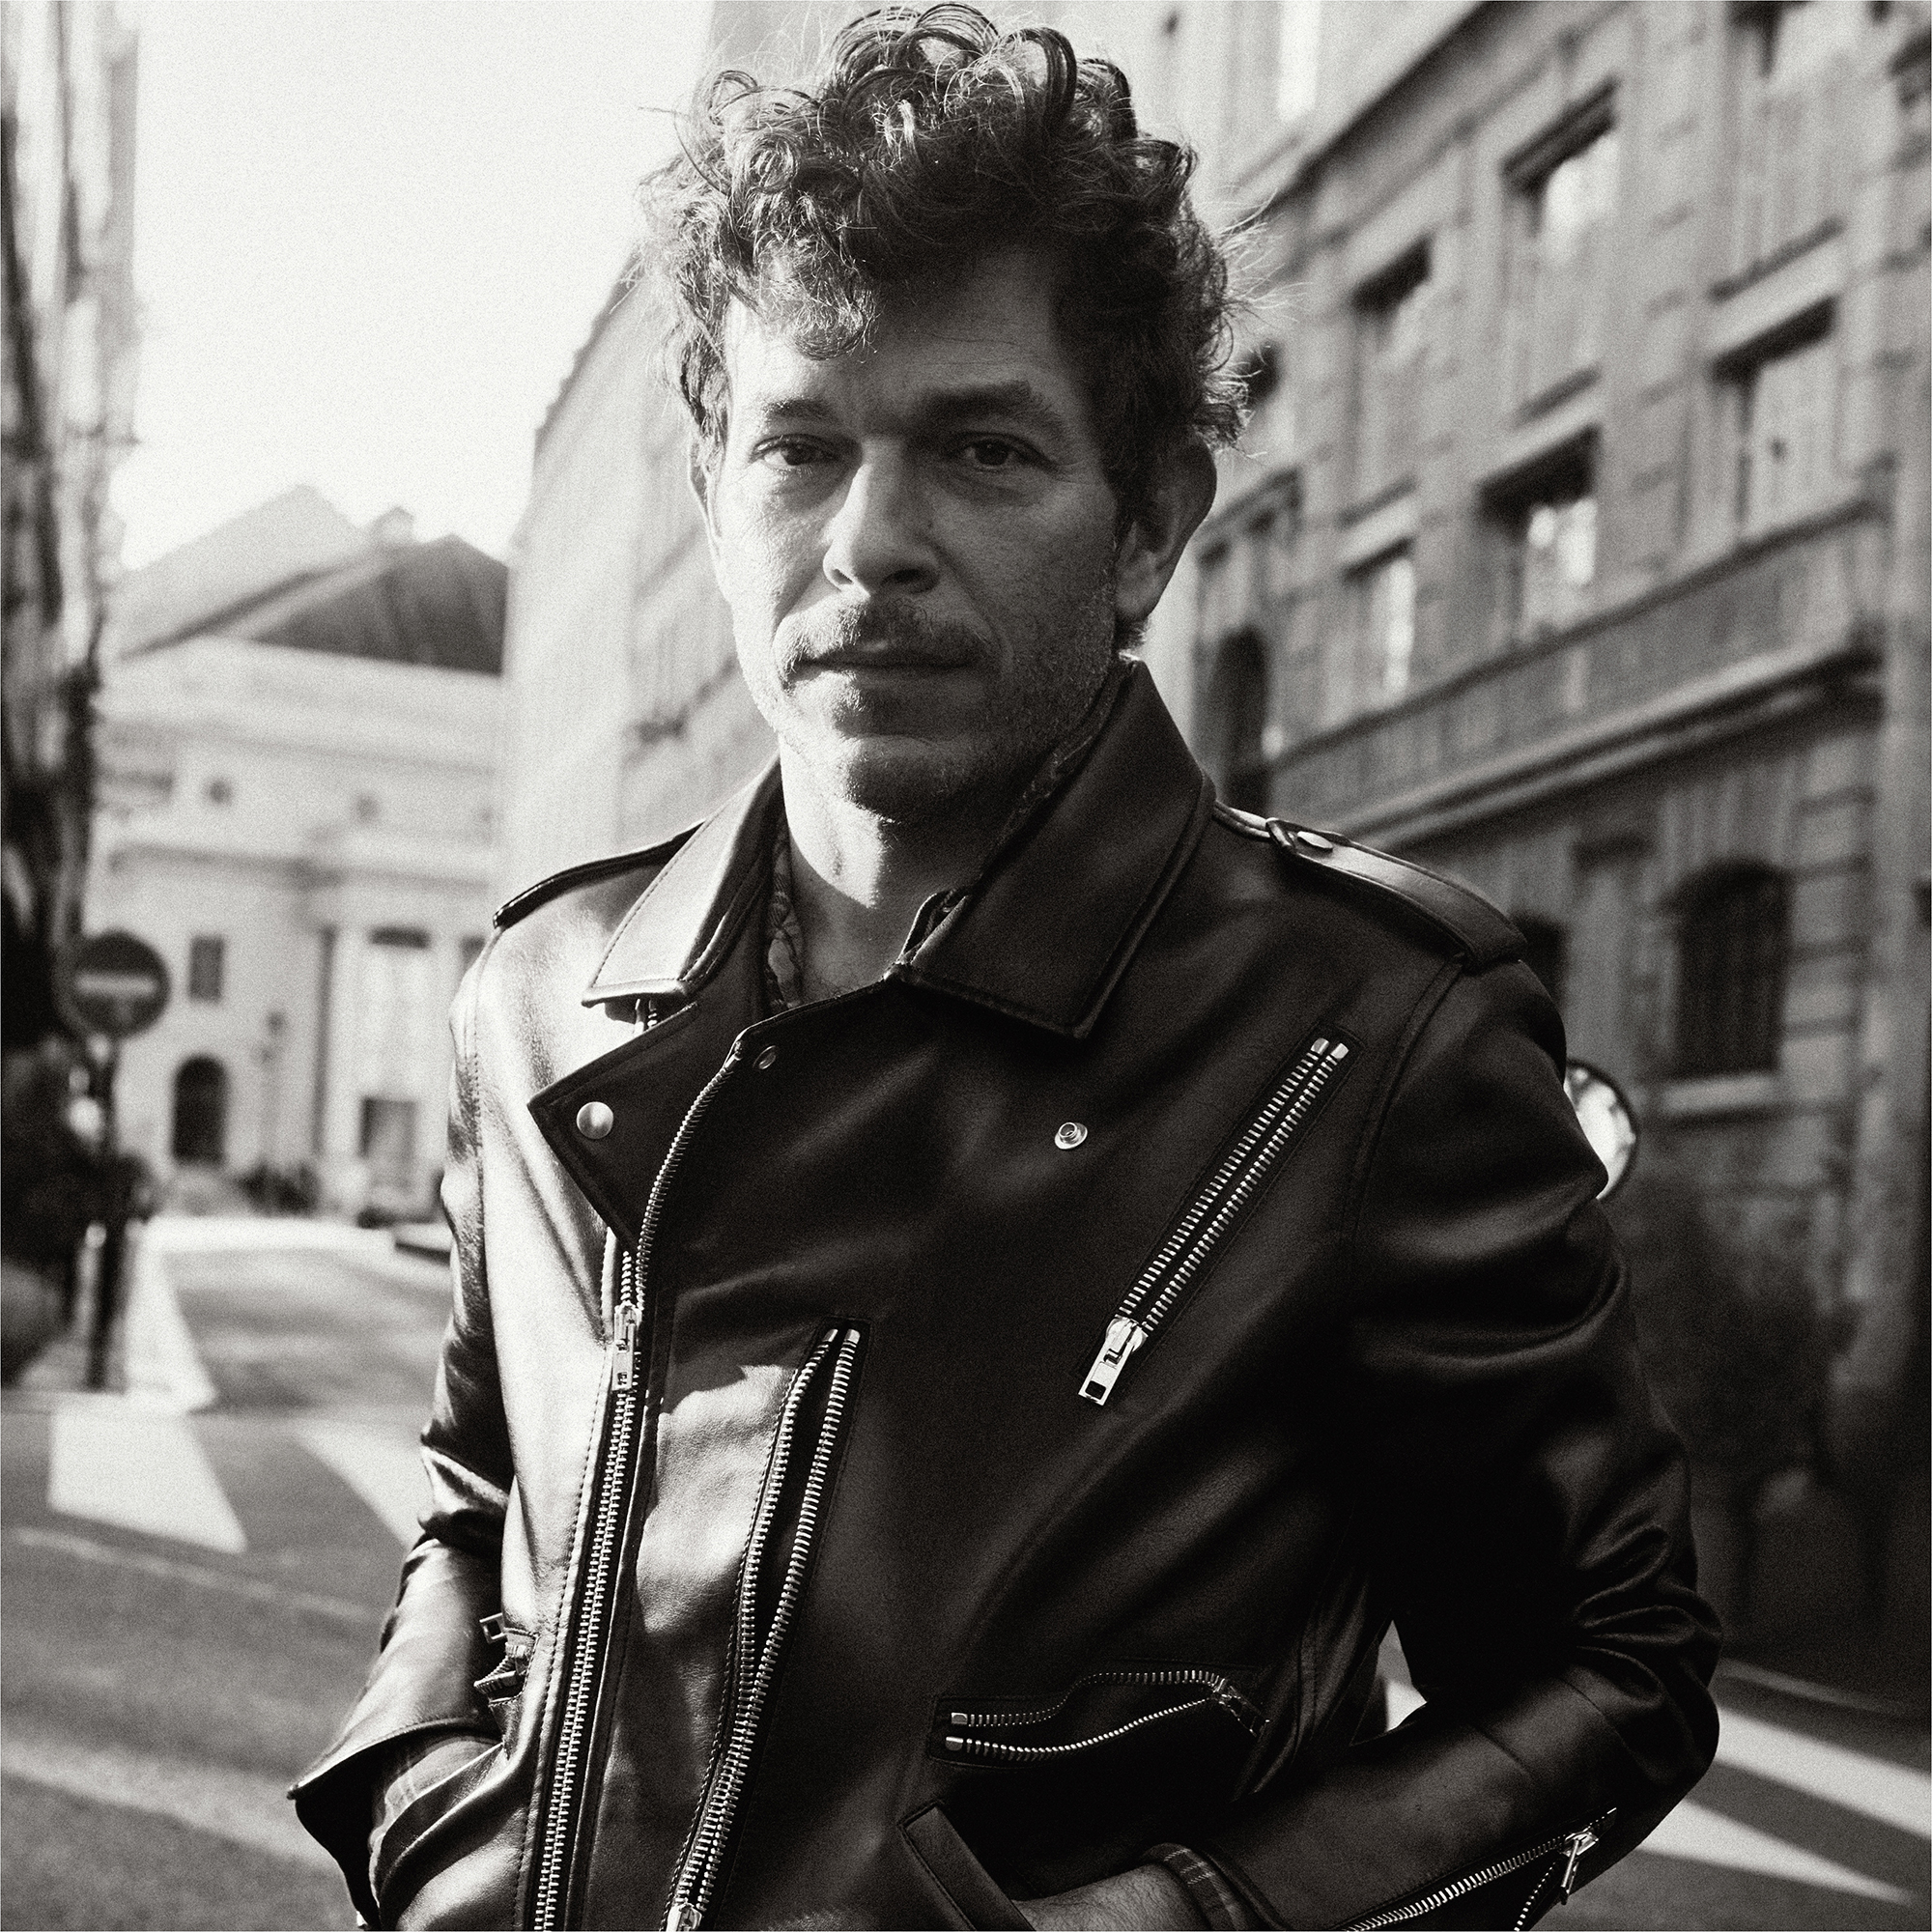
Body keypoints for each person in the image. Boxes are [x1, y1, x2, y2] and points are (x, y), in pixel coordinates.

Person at [292, 10, 1719, 1927]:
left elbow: (1603, 1669)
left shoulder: (1367, 1036)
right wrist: (426, 1811)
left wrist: (1189, 1917)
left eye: (978, 449)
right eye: (801, 447)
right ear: (721, 495)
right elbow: (481, 1497)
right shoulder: (544, 988)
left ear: (1146, 528)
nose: (869, 543)